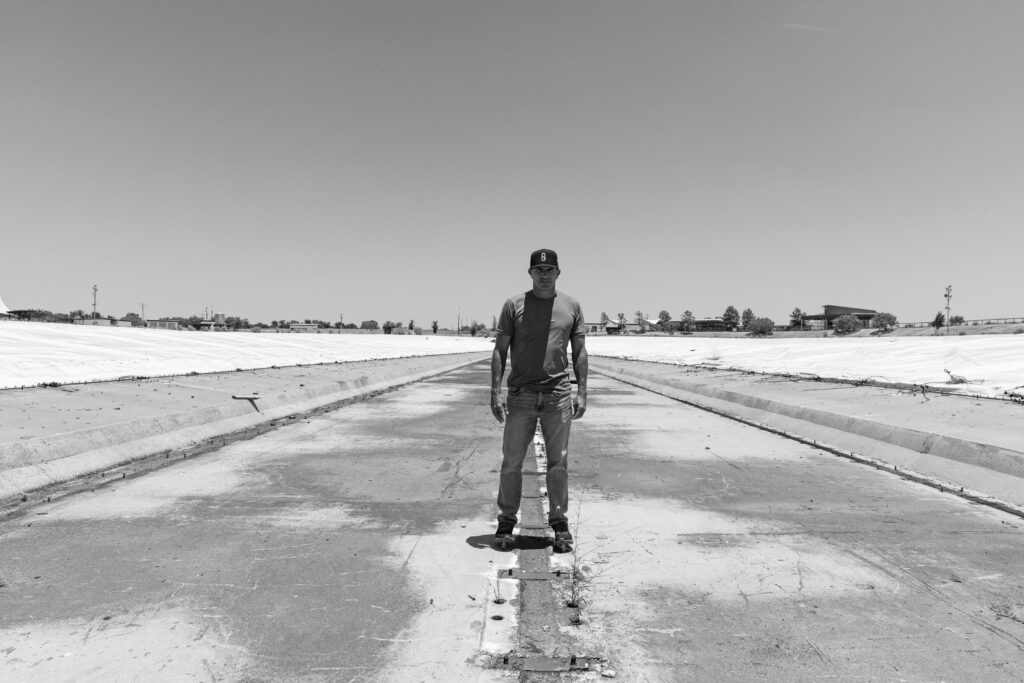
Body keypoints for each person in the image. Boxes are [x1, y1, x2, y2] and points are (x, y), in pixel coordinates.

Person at [490, 248, 587, 551]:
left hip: (558, 396)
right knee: (512, 462)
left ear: (558, 273)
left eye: (550, 270)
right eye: (538, 270)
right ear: (530, 273)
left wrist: (581, 390)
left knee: (558, 463)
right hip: (521, 396)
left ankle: (559, 524)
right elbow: (500, 350)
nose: (544, 275)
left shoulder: (571, 306)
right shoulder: (514, 305)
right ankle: (506, 521)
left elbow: (580, 351)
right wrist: (495, 391)